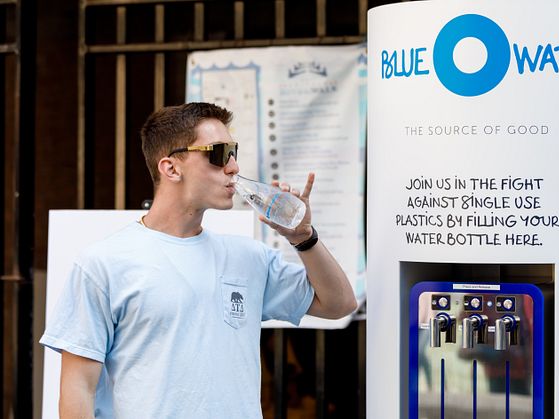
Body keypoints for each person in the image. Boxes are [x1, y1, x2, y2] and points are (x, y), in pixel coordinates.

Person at [40, 102, 358, 418]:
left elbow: (339, 304)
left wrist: (303, 238)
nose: (233, 167)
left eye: (234, 152)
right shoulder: (103, 263)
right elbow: (77, 389)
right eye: (218, 154)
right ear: (171, 168)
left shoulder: (249, 258)